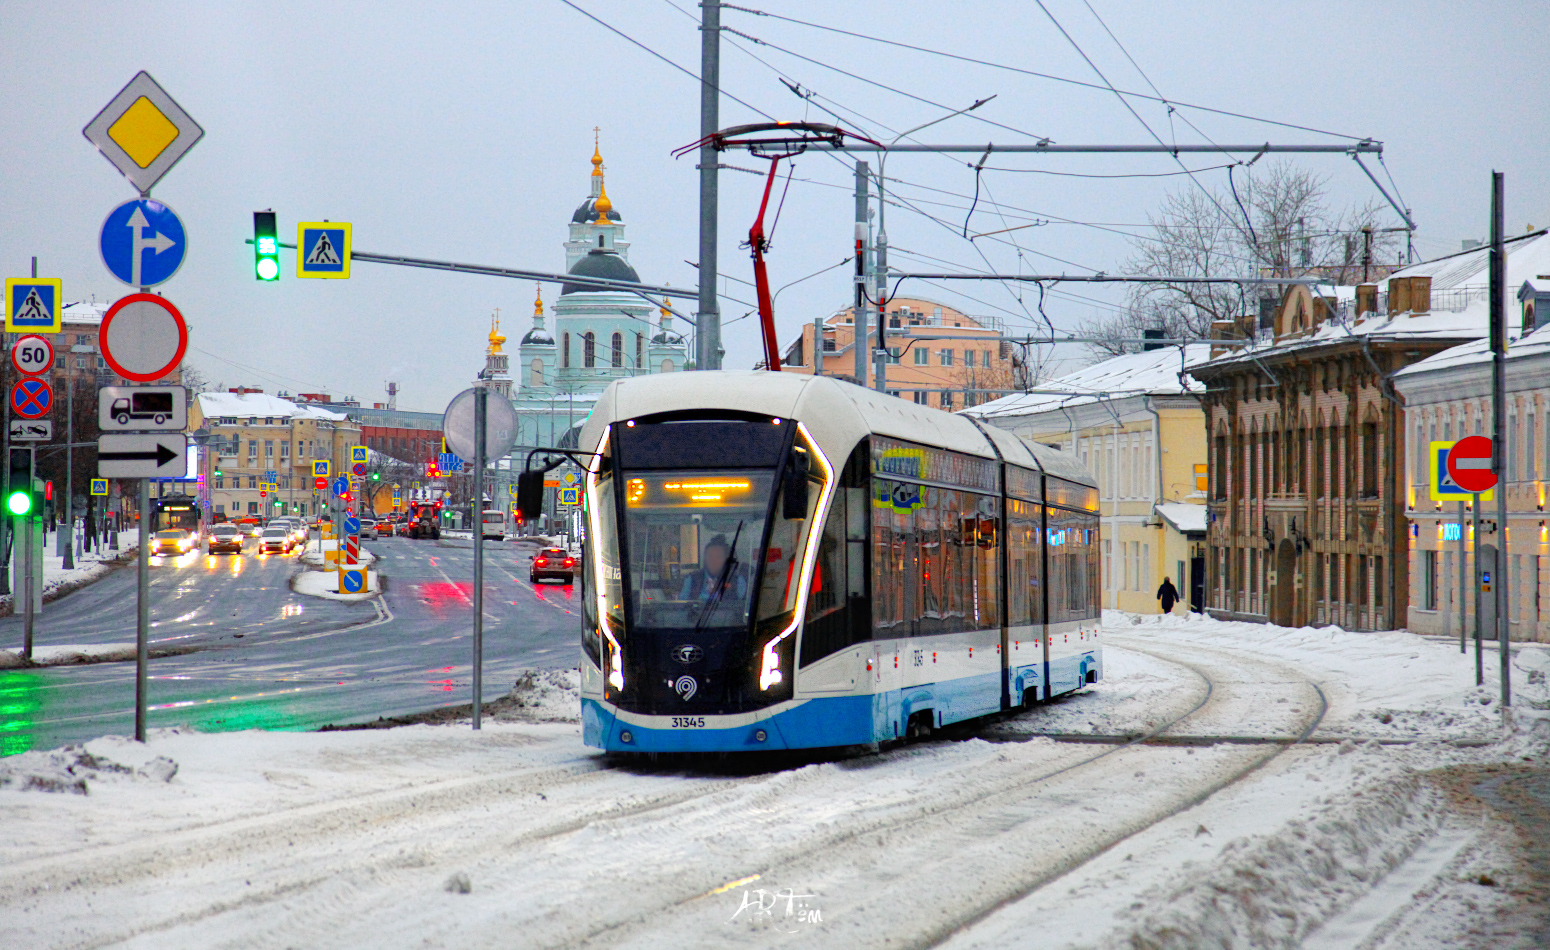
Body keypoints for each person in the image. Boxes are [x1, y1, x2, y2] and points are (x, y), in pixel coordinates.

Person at [680, 535, 747, 604]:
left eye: (718, 556)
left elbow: (742, 608)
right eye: (710, 556)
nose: (713, 560)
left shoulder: (737, 581)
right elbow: (681, 607)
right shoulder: (692, 579)